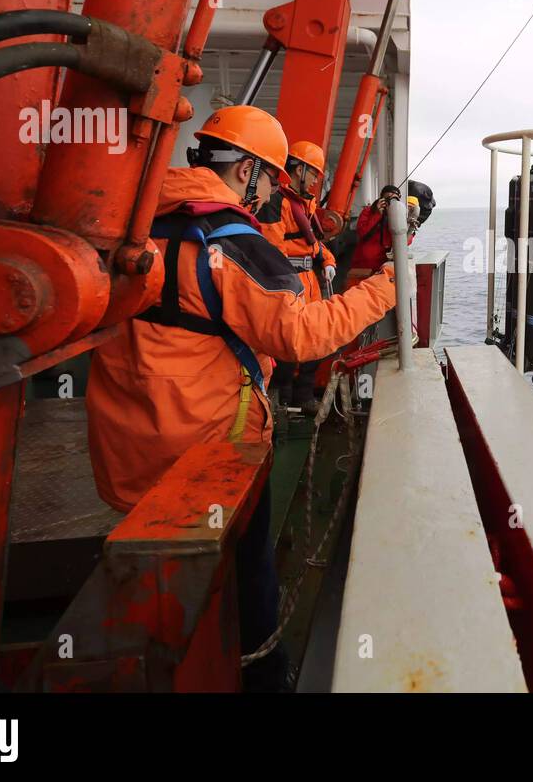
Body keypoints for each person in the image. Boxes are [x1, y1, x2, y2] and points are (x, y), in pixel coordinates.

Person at [85, 104, 396, 691]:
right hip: (207, 454)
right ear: (248, 171)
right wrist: (385, 289)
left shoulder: (134, 222)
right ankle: (261, 674)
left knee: (157, 576)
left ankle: (162, 657)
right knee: (247, 575)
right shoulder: (235, 242)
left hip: (128, 445)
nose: (271, 197)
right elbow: (301, 335)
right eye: (270, 181)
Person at [260, 140, 335, 415]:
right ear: (300, 169)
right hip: (290, 281)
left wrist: (327, 261)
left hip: (310, 281)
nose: (316, 180)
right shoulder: (278, 201)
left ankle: (303, 396)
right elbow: (270, 248)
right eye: (314, 173)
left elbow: (314, 243)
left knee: (315, 339)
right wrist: (284, 282)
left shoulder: (305, 205)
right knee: (290, 344)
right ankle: (282, 400)